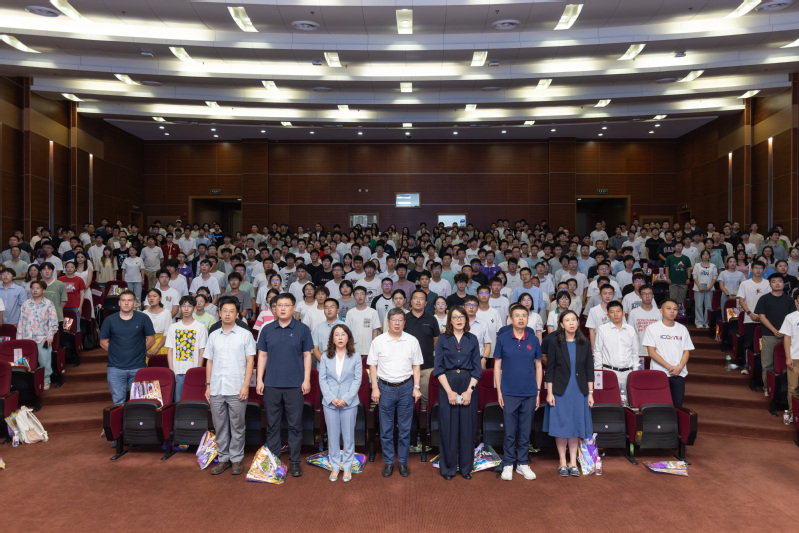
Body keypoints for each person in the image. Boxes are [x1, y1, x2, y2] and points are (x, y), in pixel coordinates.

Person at [256, 293, 313, 478]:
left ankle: (295, 462)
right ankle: (274, 462)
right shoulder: (267, 329)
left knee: (295, 426)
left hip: (295, 385)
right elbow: (262, 355)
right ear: (274, 308)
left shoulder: (302, 329)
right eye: (279, 305)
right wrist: (259, 379)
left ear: (293, 308)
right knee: (272, 426)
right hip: (271, 385)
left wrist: (306, 380)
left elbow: (307, 355)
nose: (282, 308)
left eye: (286, 305)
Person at [367, 307, 423, 478]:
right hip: (385, 388)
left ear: (404, 322)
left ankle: (403, 462)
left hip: (406, 387)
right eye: (394, 320)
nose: (397, 323)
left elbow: (416, 366)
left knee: (405, 429)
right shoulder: (378, 341)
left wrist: (416, 387)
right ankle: (389, 462)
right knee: (386, 429)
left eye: (400, 320)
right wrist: (375, 388)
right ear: (388, 322)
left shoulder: (412, 340)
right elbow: (372, 366)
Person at [204, 296, 256, 476]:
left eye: (231, 311)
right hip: (216, 388)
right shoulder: (213, 336)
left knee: (237, 426)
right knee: (220, 426)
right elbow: (209, 362)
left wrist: (245, 385)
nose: (227, 314)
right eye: (224, 311)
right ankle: (223, 459)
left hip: (236, 387)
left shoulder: (245, 335)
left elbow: (250, 361)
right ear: (219, 313)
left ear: (237, 314)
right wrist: (208, 385)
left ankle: (236, 459)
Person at [494, 303, 543, 481]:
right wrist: (499, 392)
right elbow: (497, 366)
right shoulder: (503, 338)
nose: (521, 318)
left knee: (525, 430)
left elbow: (539, 366)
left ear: (528, 319)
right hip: (508, 392)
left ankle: (522, 463)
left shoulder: (533, 340)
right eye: (517, 315)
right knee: (509, 431)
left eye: (524, 315)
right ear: (510, 318)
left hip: (529, 392)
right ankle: (508, 463)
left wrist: (538, 392)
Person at [432, 306, 482, 480]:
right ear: (450, 320)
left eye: (462, 317)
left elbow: (477, 369)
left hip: (468, 383)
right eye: (455, 317)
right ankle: (448, 468)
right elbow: (438, 368)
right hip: (448, 383)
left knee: (467, 428)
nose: (459, 320)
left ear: (466, 319)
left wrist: (469, 391)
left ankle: (466, 468)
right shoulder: (443, 339)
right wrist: (449, 392)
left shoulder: (472, 339)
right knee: (448, 428)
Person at [544, 310, 594, 477]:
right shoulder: (555, 343)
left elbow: (589, 370)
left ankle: (573, 462)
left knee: (575, 425)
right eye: (567, 320)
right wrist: (549, 393)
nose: (571, 323)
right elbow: (550, 370)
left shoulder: (584, 343)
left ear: (578, 323)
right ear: (561, 324)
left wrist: (591, 393)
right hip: (560, 391)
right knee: (561, 426)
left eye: (574, 319)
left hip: (579, 391)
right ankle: (562, 462)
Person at [318, 324, 363, 482]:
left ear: (348, 337)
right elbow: (322, 379)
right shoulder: (325, 356)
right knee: (332, 436)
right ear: (332, 338)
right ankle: (335, 467)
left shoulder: (355, 356)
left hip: (349, 403)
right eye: (336, 335)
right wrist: (331, 398)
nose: (340, 338)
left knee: (349, 437)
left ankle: (348, 467)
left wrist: (346, 398)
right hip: (330, 403)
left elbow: (357, 380)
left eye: (343, 334)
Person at [99, 290, 156, 405]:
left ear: (134, 303)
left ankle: (139, 418)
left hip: (139, 367)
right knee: (118, 402)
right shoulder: (109, 320)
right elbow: (103, 342)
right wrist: (116, 351)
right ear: (119, 303)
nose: (126, 303)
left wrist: (138, 350)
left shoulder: (144, 318)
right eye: (123, 300)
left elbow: (151, 340)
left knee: (142, 401)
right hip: (115, 368)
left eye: (129, 300)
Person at [643, 299, 695, 407]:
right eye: (669, 308)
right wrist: (670, 367)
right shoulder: (652, 328)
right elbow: (651, 352)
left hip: (679, 374)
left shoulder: (682, 329)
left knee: (677, 406)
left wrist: (679, 367)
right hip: (660, 373)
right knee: (659, 406)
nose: (672, 311)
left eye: (675, 309)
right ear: (661, 311)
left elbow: (686, 351)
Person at [754, 273, 794, 397]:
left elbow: (793, 318)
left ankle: (787, 388)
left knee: (789, 362)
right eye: (774, 281)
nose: (777, 283)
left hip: (787, 336)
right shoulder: (764, 299)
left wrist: (784, 332)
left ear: (783, 284)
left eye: (780, 281)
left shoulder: (789, 300)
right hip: (769, 335)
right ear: (770, 284)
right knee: (768, 363)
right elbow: (762, 317)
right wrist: (775, 331)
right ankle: (768, 388)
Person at [17, 280, 59, 390]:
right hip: (27, 339)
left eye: (38, 288)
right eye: (33, 288)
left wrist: (50, 337)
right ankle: (27, 383)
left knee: (44, 361)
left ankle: (46, 380)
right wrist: (19, 339)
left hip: (43, 338)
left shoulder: (48, 304)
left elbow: (53, 322)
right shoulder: (26, 304)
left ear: (43, 290)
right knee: (26, 362)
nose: (35, 290)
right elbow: (21, 322)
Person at [165, 295, 208, 402]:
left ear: (194, 308)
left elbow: (201, 350)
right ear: (180, 308)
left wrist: (197, 370)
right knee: (178, 402)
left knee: (193, 401)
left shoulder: (200, 327)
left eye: (189, 306)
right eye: (183, 306)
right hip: (177, 371)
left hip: (192, 370)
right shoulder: (173, 327)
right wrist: (172, 371)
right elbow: (170, 350)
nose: (186, 309)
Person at [404, 289, 440, 408]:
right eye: (415, 298)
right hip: (406, 367)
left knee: (425, 399)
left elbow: (436, 342)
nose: (418, 301)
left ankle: (424, 419)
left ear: (426, 303)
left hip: (427, 366)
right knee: (407, 399)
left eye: (421, 299)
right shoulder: (404, 319)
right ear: (411, 302)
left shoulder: (432, 319)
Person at [593, 301, 640, 392]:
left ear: (623, 313)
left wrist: (635, 371)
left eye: (618, 311)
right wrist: (598, 372)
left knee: (629, 399)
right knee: (609, 398)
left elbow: (635, 352)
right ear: (608, 315)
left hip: (628, 372)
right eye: (612, 312)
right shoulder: (602, 329)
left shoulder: (630, 329)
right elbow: (598, 351)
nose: (615, 314)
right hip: (609, 371)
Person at [778, 290, 799, 421]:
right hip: (795, 358)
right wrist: (788, 357)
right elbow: (787, 338)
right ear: (796, 301)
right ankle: (792, 414)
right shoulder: (790, 317)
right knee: (793, 388)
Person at [141, 288, 172, 361]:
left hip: (161, 344)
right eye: (149, 296)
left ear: (160, 298)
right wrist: (145, 349)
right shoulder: (144, 313)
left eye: (154, 296)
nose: (151, 298)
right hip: (147, 343)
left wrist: (156, 348)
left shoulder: (166, 313)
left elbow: (167, 333)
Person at [692, 250, 718, 329]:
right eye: (704, 254)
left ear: (709, 256)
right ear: (701, 256)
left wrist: (710, 286)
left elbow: (714, 277)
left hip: (709, 287)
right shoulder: (697, 265)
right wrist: (699, 286)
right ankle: (699, 322)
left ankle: (707, 322)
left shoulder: (713, 266)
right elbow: (695, 276)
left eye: (707, 254)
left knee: (708, 306)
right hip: (698, 286)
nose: (705, 256)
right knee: (698, 305)